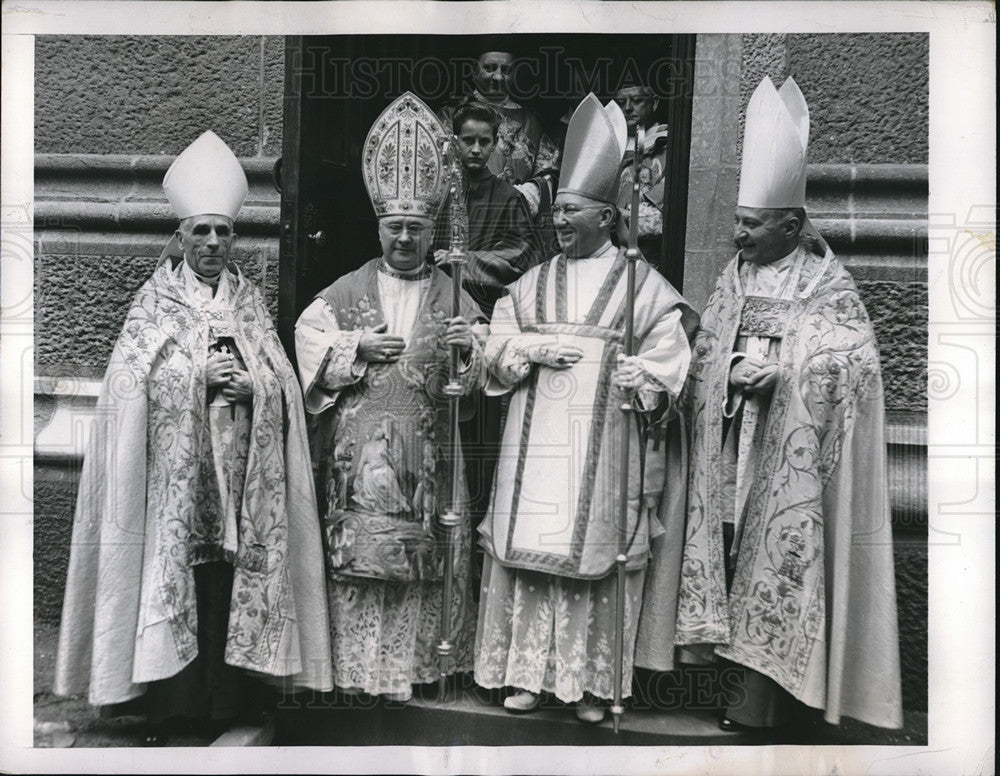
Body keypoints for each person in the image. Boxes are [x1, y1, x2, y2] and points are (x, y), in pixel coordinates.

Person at [53, 130, 332, 744]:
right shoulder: (152, 306)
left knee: (232, 580)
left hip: (240, 481)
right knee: (177, 572)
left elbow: (282, 383)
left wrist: (254, 390)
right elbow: (126, 391)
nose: (211, 242)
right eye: (200, 231)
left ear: (235, 238)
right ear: (179, 237)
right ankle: (168, 708)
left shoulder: (250, 304)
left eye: (222, 232)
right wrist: (192, 379)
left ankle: (230, 701)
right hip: (171, 494)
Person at [673, 76, 903, 732]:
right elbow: (709, 348)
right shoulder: (735, 276)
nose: (737, 235)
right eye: (738, 223)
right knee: (725, 546)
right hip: (730, 448)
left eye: (750, 224)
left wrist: (783, 378)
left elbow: (850, 365)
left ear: (791, 224)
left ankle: (760, 703)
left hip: (785, 456)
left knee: (775, 560)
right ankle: (721, 683)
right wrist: (724, 369)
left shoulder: (828, 285)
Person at [474, 94, 698, 723]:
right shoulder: (532, 282)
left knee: (597, 561)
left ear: (606, 217)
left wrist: (645, 375)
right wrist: (532, 348)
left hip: (604, 450)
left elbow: (672, 353)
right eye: (559, 213)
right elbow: (495, 347)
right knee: (529, 552)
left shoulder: (640, 282)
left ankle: (593, 685)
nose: (561, 223)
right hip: (535, 448)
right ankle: (525, 678)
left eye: (572, 213)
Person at [295, 92, 487, 702]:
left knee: (417, 569)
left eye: (416, 228)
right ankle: (355, 673)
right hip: (359, 468)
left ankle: (407, 672)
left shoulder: (456, 294)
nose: (404, 237)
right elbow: (306, 340)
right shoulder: (347, 289)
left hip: (429, 465)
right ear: (379, 226)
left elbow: (489, 369)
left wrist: (469, 346)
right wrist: (353, 347)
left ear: (432, 231)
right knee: (360, 566)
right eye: (394, 226)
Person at [433, 101, 542, 319]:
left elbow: (521, 258)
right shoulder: (436, 191)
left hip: (483, 310)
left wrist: (462, 259)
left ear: (493, 144)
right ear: (455, 142)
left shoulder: (510, 198)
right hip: (432, 302)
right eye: (468, 141)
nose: (476, 149)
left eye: (484, 142)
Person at [439, 50, 560, 222]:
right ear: (474, 71)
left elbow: (550, 171)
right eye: (489, 68)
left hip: (513, 220)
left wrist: (531, 191)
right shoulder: (451, 115)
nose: (498, 77)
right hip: (461, 218)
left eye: (506, 71)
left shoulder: (531, 122)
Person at [615, 84, 670, 267]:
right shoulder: (611, 147)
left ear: (654, 103)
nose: (628, 108)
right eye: (621, 103)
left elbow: (666, 219)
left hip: (648, 259)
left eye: (637, 101)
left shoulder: (667, 147)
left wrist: (620, 217)